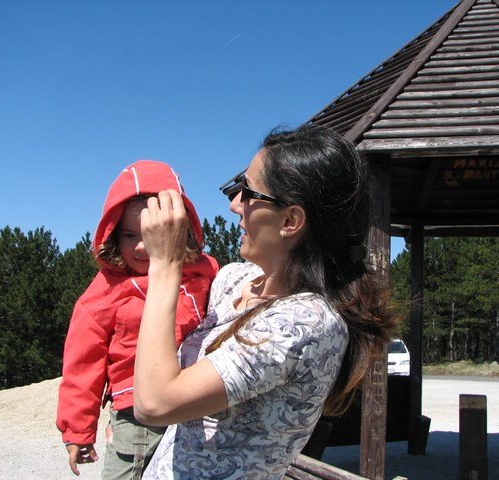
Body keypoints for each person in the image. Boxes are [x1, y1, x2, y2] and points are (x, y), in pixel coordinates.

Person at [133, 125, 399, 479]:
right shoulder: (234, 281)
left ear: (290, 221)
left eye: (247, 192)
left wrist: (165, 266)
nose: (234, 205)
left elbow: (154, 403)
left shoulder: (305, 324)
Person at [56, 160, 219, 479]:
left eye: (151, 234)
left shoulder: (203, 270)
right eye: (130, 235)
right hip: (138, 414)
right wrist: (77, 430)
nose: (143, 247)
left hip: (195, 405)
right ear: (113, 236)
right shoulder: (106, 289)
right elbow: (83, 363)